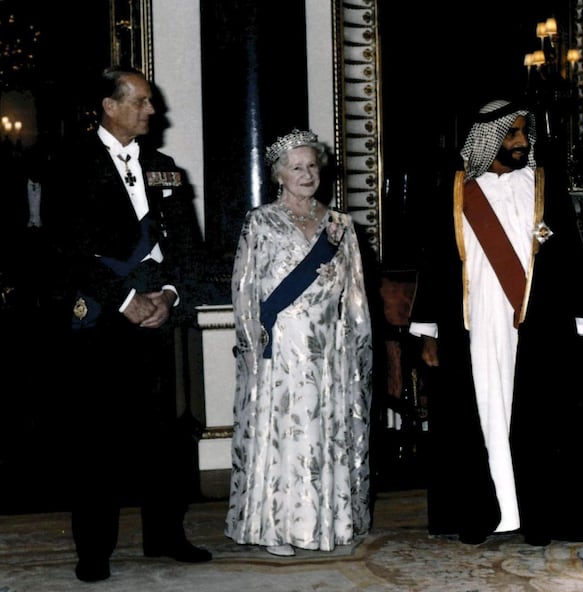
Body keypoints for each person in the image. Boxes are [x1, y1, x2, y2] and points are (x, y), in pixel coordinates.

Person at [408, 99, 583, 546]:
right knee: (478, 416)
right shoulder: (458, 190)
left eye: (522, 133)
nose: (520, 141)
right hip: (472, 326)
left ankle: (539, 517)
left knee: (538, 418)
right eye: (511, 133)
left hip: (537, 325)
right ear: (488, 139)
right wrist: (428, 330)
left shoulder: (541, 185)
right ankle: (480, 514)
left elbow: (570, 254)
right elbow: (435, 262)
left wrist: (580, 320)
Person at [44, 65, 212, 582]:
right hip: (100, 320)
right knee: (98, 438)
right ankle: (94, 549)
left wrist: (169, 294)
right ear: (109, 106)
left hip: (158, 318)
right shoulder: (69, 165)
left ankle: (165, 533)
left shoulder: (164, 166)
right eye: (140, 101)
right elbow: (65, 250)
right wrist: (123, 298)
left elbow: (188, 245)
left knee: (165, 433)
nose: (152, 110)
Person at [224, 129, 373, 557]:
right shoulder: (261, 222)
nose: (307, 175)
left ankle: (326, 523)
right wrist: (253, 344)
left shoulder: (340, 226)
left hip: (329, 350)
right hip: (282, 347)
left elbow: (356, 295)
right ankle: (279, 527)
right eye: (296, 168)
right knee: (288, 433)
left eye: (312, 166)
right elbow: (245, 288)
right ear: (279, 175)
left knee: (323, 430)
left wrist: (355, 345)